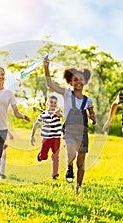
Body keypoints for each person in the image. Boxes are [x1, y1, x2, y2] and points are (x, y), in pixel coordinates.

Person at [43, 56, 96, 192]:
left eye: (80, 79)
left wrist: (92, 119)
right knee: (71, 152)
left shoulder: (88, 100)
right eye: (75, 80)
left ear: (85, 81)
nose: (78, 82)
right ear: (70, 82)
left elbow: (91, 113)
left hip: (83, 133)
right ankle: (69, 167)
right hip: (69, 131)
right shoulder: (67, 94)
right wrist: (46, 67)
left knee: (81, 162)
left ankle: (78, 187)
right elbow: (50, 84)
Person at [30, 95, 62, 180]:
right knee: (44, 156)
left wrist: (60, 114)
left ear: (57, 104)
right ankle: (40, 156)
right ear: (47, 103)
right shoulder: (43, 114)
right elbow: (36, 124)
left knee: (56, 156)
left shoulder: (57, 113)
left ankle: (55, 174)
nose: (53, 104)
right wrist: (32, 136)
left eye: (55, 103)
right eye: (51, 102)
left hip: (56, 138)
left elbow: (62, 116)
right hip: (47, 138)